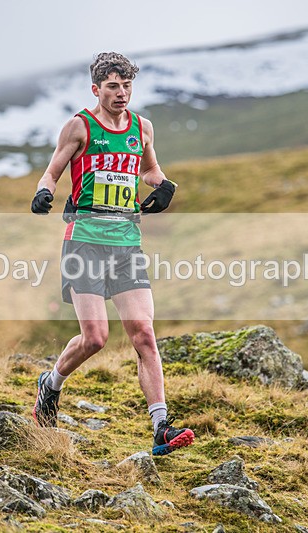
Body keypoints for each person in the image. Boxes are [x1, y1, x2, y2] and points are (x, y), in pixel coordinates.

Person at [30, 52, 194, 456]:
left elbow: (149, 171)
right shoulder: (79, 127)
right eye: (113, 87)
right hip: (84, 239)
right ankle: (50, 385)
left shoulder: (142, 128)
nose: (121, 94)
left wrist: (165, 185)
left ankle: (161, 427)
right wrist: (44, 191)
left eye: (127, 86)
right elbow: (52, 170)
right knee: (96, 338)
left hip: (126, 242)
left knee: (144, 334)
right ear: (96, 89)